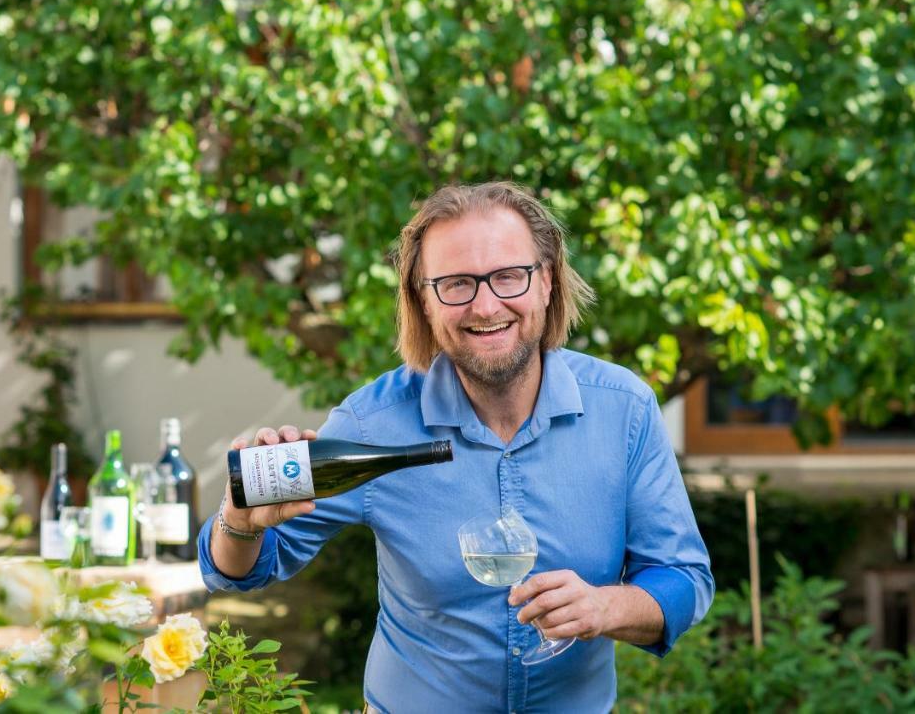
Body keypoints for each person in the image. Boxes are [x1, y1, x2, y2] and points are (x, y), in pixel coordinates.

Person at [199, 181, 713, 713]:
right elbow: (238, 570)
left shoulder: (623, 409)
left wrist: (605, 607)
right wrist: (239, 522)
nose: (486, 305)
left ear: (547, 282)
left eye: (509, 276)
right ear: (423, 300)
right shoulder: (371, 425)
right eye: (456, 284)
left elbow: (684, 579)